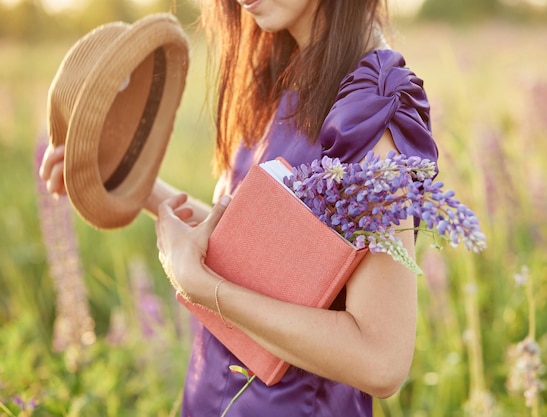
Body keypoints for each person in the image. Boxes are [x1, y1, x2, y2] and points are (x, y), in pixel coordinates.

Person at [40, 0, 439, 415]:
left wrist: (204, 287)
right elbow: (256, 249)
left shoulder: (370, 111)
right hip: (210, 397)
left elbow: (381, 361)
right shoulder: (290, 68)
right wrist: (130, 181)